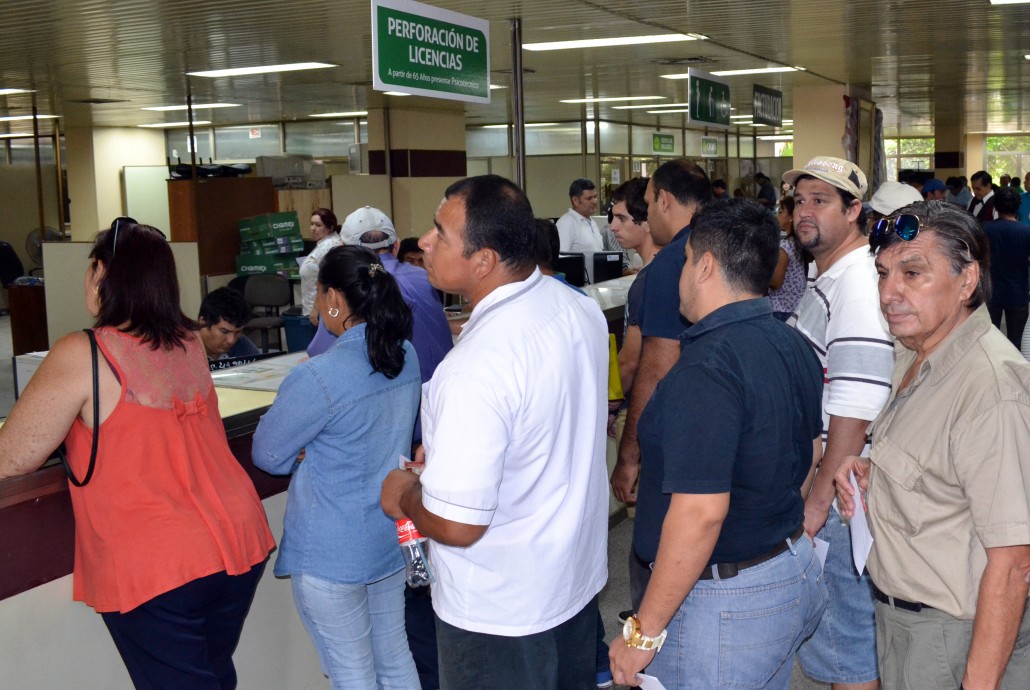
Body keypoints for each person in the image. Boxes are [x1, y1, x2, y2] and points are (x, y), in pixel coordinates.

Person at [0, 217, 274, 690]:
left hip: (162, 566)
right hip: (238, 544)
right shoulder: (189, 343)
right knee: (212, 676)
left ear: (102, 275)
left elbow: (13, 456)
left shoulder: (84, 353)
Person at [380, 175, 609, 690]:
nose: (424, 242)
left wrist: (406, 494)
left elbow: (458, 525)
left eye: (440, 232)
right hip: (572, 583)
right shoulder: (577, 308)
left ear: (483, 261)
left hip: (497, 616)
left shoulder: (475, 366)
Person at [608, 199, 827, 689]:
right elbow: (810, 452)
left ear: (705, 266)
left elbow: (700, 513)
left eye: (686, 260)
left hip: (726, 605)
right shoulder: (791, 342)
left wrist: (643, 633)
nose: (682, 273)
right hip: (786, 569)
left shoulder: (707, 368)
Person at [835, 201, 1030, 689]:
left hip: (953, 636)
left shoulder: (991, 390)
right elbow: (940, 473)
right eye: (883, 274)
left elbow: (1014, 563)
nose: (889, 293)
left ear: (967, 281)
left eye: (912, 273)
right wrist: (871, 471)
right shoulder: (917, 353)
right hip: (905, 623)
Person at [252, 245, 422, 690]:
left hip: (331, 551)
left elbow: (268, 454)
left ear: (333, 299)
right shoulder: (404, 354)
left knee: (351, 672)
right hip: (386, 538)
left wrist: (309, 448)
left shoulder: (318, 376)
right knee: (394, 656)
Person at [783, 157, 895, 690]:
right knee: (843, 648)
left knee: (846, 652)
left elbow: (854, 409)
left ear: (854, 211)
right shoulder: (828, 276)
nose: (805, 211)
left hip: (839, 500)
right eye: (799, 201)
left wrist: (816, 503)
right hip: (831, 489)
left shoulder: (857, 285)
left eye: (821, 201)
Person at [611, 159, 712, 612]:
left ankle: (649, 634)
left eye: (649, 203)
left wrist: (629, 456)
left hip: (672, 439)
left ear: (665, 201)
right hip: (714, 429)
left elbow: (655, 367)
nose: (648, 214)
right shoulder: (724, 247)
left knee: (658, 549)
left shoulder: (673, 263)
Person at [308, 207, 453, 393]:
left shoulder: (347, 289)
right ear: (397, 246)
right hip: (442, 391)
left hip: (392, 399)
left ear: (344, 251)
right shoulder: (425, 278)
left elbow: (320, 354)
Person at [983, 187, 1030, 348]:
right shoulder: (1026, 232)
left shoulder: (985, 229)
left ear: (995, 207)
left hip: (991, 291)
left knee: (990, 339)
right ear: (1018, 207)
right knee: (1016, 341)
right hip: (1018, 291)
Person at [300, 208, 343, 325]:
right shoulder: (323, 243)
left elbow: (330, 281)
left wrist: (316, 307)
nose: (313, 228)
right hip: (317, 307)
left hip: (322, 309)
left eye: (318, 225)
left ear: (330, 227)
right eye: (311, 224)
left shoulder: (329, 246)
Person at [769, 195, 807, 320]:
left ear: (791, 216)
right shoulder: (800, 242)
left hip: (781, 308)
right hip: (797, 305)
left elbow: (776, 283)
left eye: (781, 212)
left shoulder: (785, 247)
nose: (777, 216)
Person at [197, 287, 259, 360]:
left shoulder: (243, 346)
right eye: (224, 331)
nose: (231, 341)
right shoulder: (185, 352)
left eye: (238, 332)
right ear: (203, 323)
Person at [557, 178, 604, 253]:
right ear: (575, 200)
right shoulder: (567, 223)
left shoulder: (592, 223)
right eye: (589, 198)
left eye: (595, 197)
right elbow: (560, 256)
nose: (594, 201)